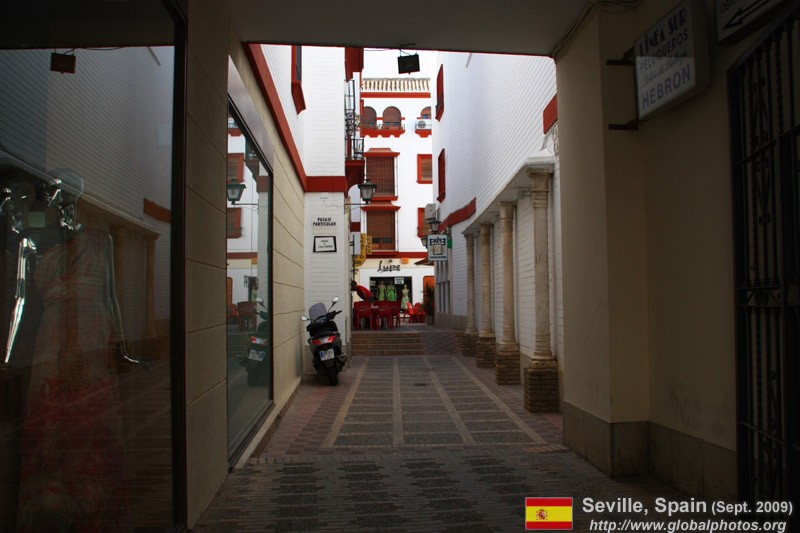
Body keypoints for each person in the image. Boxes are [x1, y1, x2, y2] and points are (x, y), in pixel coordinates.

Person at [4, 169, 150, 531]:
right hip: (52, 337)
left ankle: (94, 507)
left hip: (94, 335)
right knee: (52, 419)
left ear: (79, 195)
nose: (58, 197)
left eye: (66, 190)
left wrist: (121, 346)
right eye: (54, 190)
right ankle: (50, 505)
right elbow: (20, 300)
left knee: (93, 421)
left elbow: (111, 296)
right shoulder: (32, 240)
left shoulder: (101, 240)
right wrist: (7, 355)